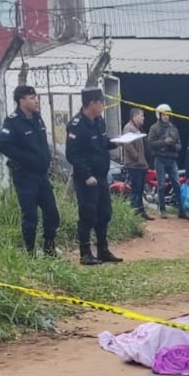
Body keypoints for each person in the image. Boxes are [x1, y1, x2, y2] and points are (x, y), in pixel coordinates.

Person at [0, 85, 60, 256]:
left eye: (35, 97)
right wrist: (25, 157)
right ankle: (30, 252)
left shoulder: (37, 118)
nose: (36, 100)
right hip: (25, 176)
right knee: (30, 215)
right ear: (21, 101)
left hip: (41, 175)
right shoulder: (13, 121)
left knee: (52, 212)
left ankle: (49, 247)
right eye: (32, 98)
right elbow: (3, 144)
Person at [65, 87, 123, 265]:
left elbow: (103, 143)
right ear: (92, 104)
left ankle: (103, 250)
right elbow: (72, 154)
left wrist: (120, 141)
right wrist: (86, 175)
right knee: (88, 215)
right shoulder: (77, 125)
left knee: (104, 213)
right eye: (101, 102)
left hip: (101, 176)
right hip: (87, 179)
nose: (103, 106)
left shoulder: (99, 121)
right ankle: (85, 253)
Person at [147, 103, 189, 220]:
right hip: (160, 159)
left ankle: (181, 211)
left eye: (168, 114)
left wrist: (173, 146)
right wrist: (164, 142)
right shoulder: (154, 128)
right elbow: (151, 143)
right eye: (164, 114)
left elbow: (179, 145)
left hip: (172, 159)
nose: (166, 116)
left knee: (177, 184)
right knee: (161, 185)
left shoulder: (173, 128)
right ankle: (163, 210)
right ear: (159, 115)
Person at [122, 107, 153, 220]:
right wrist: (137, 157)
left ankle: (141, 212)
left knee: (140, 190)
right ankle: (135, 214)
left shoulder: (138, 129)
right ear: (135, 116)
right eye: (141, 115)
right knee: (135, 190)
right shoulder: (129, 128)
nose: (143, 118)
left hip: (141, 165)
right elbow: (128, 145)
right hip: (134, 165)